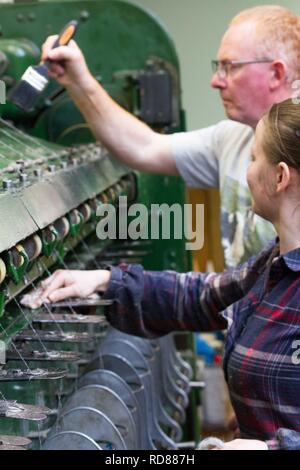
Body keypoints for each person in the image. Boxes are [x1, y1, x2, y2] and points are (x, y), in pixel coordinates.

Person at [32, 99, 300, 450]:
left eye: (253, 159)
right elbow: (203, 295)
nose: (246, 171)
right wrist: (105, 281)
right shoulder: (275, 265)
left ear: (279, 176)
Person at [41, 5, 300, 268]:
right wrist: (78, 79)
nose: (216, 81)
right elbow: (144, 147)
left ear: (276, 74)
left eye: (229, 67)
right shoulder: (233, 138)